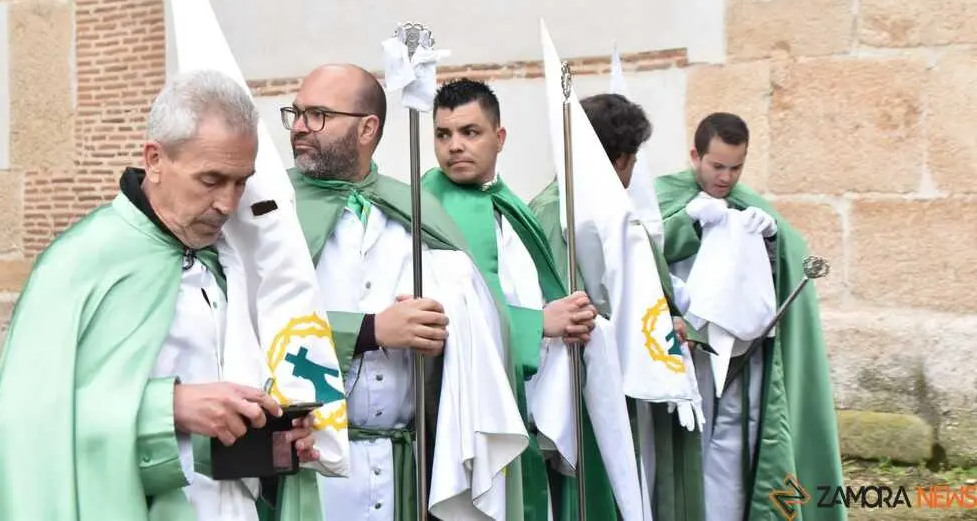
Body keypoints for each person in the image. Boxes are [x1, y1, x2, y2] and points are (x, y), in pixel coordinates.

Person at [0, 70, 319, 521]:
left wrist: (274, 438)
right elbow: (27, 424)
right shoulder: (80, 264)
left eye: (241, 181)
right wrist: (169, 408)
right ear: (155, 159)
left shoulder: (231, 259)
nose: (228, 204)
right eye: (212, 180)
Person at [284, 64, 529, 521]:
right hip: (310, 465)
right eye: (296, 113)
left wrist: (445, 327)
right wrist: (371, 330)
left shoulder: (412, 209)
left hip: (405, 465)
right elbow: (260, 327)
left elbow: (477, 324)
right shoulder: (273, 212)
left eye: (317, 115)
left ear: (367, 128)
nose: (299, 127)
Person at [422, 78, 614, 521]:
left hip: (529, 407)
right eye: (443, 134)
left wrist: (577, 317)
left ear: (499, 137)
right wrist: (537, 325)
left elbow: (539, 290)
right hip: (470, 420)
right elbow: (443, 313)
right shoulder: (424, 207)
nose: (455, 146)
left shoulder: (512, 205)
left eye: (470, 132)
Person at [654, 112, 845, 521]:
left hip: (742, 357)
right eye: (717, 166)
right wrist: (686, 222)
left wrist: (773, 238)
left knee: (731, 448)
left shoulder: (749, 204)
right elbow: (640, 250)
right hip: (683, 349)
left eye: (735, 167)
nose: (725, 177)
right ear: (696, 155)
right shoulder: (665, 197)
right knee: (684, 447)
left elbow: (789, 261)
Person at [529, 93, 705, 521]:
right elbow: (559, 306)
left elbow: (651, 296)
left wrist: (671, 324)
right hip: (587, 392)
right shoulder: (559, 215)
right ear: (622, 161)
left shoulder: (606, 212)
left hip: (629, 392)